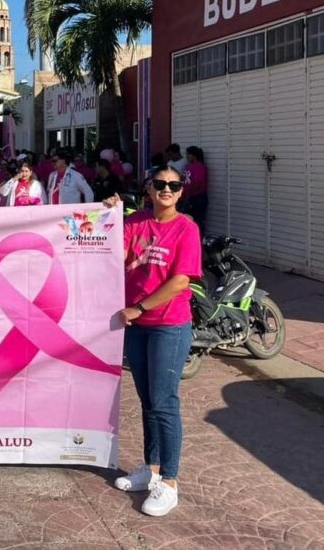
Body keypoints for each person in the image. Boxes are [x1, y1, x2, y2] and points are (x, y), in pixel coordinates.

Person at [104, 166, 201, 517]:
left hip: (167, 326)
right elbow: (107, 245)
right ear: (148, 189)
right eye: (160, 184)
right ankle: (152, 467)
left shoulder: (186, 228)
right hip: (138, 326)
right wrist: (108, 211)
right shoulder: (136, 223)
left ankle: (170, 482)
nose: (166, 190)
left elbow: (180, 281)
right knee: (147, 400)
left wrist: (139, 307)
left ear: (180, 192)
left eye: (173, 186)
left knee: (164, 401)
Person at [182, 146, 208, 227]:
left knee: (197, 221)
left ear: (194, 155)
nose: (187, 156)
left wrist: (188, 196)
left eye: (188, 154)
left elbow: (197, 184)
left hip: (197, 198)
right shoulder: (188, 166)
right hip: (188, 197)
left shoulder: (199, 167)